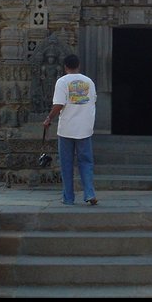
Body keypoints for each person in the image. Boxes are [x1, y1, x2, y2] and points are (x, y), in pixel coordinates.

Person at [43, 54, 98, 206]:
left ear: (65, 67)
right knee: (86, 162)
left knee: (66, 164)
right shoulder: (89, 82)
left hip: (66, 128)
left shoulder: (62, 82)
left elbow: (59, 104)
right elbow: (93, 101)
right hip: (85, 128)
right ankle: (89, 193)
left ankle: (68, 197)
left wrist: (49, 118)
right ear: (79, 65)